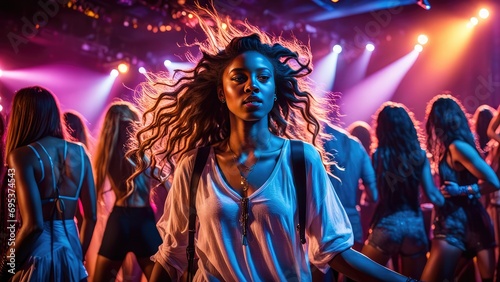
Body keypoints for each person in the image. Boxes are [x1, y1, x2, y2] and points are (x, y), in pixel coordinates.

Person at [130, 6, 414, 282]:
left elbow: (335, 250)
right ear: (221, 92)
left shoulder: (301, 160)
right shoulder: (195, 166)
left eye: (263, 78)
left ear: (274, 91)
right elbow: (171, 257)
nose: (251, 85)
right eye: (239, 78)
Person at [0, 86, 96, 281]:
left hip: (37, 256)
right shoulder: (80, 152)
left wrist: (5, 268)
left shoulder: (22, 156)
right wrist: (78, 257)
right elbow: (91, 217)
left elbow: (33, 226)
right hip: (72, 256)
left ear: (22, 116)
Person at [360, 102, 445, 280]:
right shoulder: (420, 155)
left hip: (387, 225)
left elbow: (373, 196)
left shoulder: (378, 156)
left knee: (358, 275)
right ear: (408, 126)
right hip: (414, 226)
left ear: (382, 128)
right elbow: (432, 194)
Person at [421, 94, 500, 282]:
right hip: (469, 221)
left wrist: (461, 190)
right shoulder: (453, 146)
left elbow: (494, 182)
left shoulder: (457, 147)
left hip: (458, 224)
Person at [92, 101, 163, 282]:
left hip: (120, 220)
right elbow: (169, 187)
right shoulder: (145, 156)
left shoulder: (107, 155)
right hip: (144, 219)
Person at [313, 124, 378, 282]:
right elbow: (373, 194)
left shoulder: (312, 139)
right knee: (351, 277)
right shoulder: (357, 145)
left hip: (320, 222)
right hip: (350, 223)